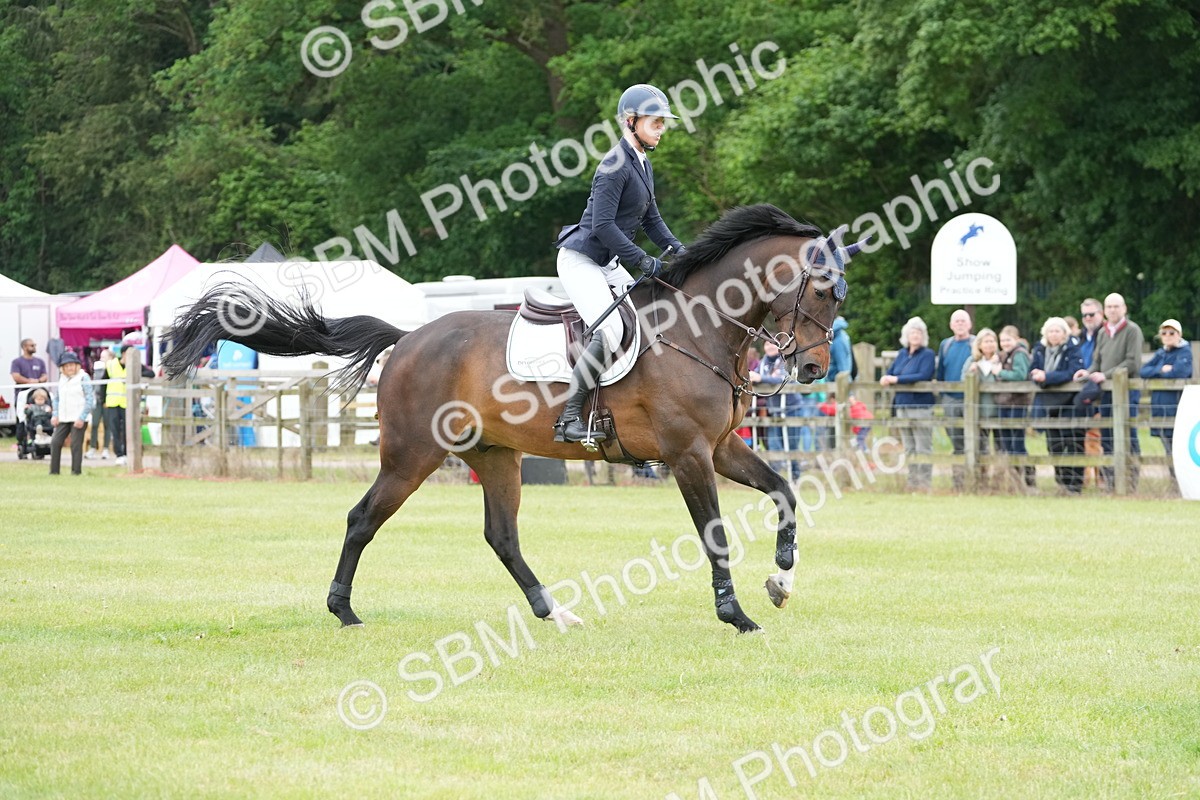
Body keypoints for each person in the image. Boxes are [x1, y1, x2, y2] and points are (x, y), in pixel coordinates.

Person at [553, 83, 685, 443]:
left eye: (663, 123)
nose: (661, 128)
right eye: (655, 122)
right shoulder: (613, 165)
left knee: (645, 316)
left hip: (607, 261)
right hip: (582, 260)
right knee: (610, 330)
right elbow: (602, 225)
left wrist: (680, 250)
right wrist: (641, 259)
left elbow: (652, 220)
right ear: (631, 122)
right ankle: (567, 419)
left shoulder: (642, 163)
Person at [1074, 292, 1144, 490]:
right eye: (1109, 307)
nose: (1113, 310)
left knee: (1128, 434)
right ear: (1105, 310)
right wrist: (1086, 373)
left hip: (1126, 391)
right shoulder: (1104, 332)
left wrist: (1106, 375)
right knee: (1107, 435)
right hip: (1106, 393)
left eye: (1116, 306)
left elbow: (1132, 362)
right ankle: (1112, 482)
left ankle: (1131, 482)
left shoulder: (1132, 330)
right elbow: (1097, 361)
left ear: (1124, 308)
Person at [1030, 317, 1086, 494]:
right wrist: (1039, 378)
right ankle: (1061, 482)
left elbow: (1071, 372)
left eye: (1057, 331)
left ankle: (1075, 485)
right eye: (1051, 331)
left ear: (1064, 333)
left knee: (1074, 443)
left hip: (1070, 403)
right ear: (1045, 333)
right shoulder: (1039, 350)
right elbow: (1032, 371)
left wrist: (1047, 377)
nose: (1054, 334)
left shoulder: (1073, 349)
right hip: (1048, 404)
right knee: (1054, 445)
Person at [881, 317, 935, 491]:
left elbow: (923, 375)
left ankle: (925, 483)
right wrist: (887, 377)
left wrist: (896, 379)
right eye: (913, 332)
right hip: (902, 406)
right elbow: (890, 371)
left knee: (923, 447)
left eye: (919, 332)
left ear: (923, 336)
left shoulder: (927, 354)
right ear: (906, 335)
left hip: (921, 406)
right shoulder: (902, 354)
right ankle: (912, 481)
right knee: (910, 447)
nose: (916, 335)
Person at [1139, 319, 1193, 472]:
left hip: (1176, 407)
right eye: (1164, 333)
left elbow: (1180, 372)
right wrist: (1161, 370)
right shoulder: (1161, 353)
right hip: (1159, 407)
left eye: (1171, 332)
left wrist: (1157, 372)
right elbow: (1143, 371)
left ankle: (1180, 482)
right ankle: (1175, 483)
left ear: (1179, 335)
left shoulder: (1185, 352)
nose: (1167, 336)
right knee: (1168, 448)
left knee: (1178, 449)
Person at [753, 341, 806, 480]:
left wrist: (761, 378)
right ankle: (775, 478)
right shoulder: (763, 362)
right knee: (773, 443)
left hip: (791, 408)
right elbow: (755, 377)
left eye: (773, 344)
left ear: (780, 346)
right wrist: (758, 378)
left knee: (791, 444)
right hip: (774, 410)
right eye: (767, 344)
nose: (770, 347)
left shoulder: (786, 361)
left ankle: (795, 476)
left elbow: (782, 379)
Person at [935, 309, 975, 489]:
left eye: (963, 321)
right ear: (951, 325)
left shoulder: (976, 343)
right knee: (956, 440)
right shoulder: (946, 345)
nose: (960, 324)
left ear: (969, 324)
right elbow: (941, 373)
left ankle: (977, 480)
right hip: (950, 399)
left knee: (976, 440)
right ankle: (959, 482)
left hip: (972, 399)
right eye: (956, 321)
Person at [995, 325, 1033, 488]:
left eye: (1008, 339)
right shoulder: (1005, 355)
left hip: (1017, 403)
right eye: (1002, 340)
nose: (1005, 343)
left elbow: (1020, 375)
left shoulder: (1019, 354)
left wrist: (1000, 373)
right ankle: (1013, 480)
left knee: (1017, 442)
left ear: (1016, 339)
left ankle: (1027, 478)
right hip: (1005, 403)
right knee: (1007, 443)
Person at [49, 351, 94, 476]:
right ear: (62, 368)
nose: (70, 368)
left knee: (75, 444)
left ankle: (76, 472)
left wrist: (82, 417)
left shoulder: (83, 377)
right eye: (67, 365)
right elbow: (57, 399)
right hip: (63, 417)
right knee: (55, 442)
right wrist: (55, 414)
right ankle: (54, 471)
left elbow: (90, 399)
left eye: (72, 365)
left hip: (78, 417)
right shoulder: (61, 379)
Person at [962, 327, 1002, 461]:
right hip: (979, 411)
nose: (989, 344)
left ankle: (1002, 477)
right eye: (986, 341)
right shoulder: (972, 361)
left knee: (1000, 448)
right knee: (980, 449)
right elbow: (963, 381)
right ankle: (982, 478)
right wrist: (971, 371)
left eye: (992, 341)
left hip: (998, 411)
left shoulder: (1001, 360)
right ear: (979, 344)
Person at [10, 338, 49, 460]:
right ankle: (22, 444)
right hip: (22, 396)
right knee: (23, 421)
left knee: (40, 419)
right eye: (32, 345)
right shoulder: (17, 362)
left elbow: (44, 376)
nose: (34, 347)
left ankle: (40, 443)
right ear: (24, 347)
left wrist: (38, 381)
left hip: (37, 397)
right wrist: (29, 382)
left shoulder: (40, 362)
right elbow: (16, 376)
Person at [86, 348, 114, 459]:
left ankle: (106, 449)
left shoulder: (112, 369)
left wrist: (106, 400)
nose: (101, 359)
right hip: (97, 400)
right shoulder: (97, 369)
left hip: (108, 401)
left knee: (107, 425)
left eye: (104, 357)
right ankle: (93, 448)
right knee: (95, 424)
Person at [105, 345, 130, 466]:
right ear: (123, 353)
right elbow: (103, 381)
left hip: (126, 403)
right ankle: (119, 454)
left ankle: (126, 453)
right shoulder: (111, 365)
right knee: (115, 429)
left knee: (126, 429)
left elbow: (150, 373)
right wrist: (102, 400)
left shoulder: (133, 365)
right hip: (113, 402)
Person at [22, 387, 54, 459]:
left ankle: (48, 436)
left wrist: (50, 412)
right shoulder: (32, 407)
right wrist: (26, 409)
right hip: (35, 421)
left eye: (42, 399)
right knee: (37, 421)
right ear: (34, 400)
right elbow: (28, 414)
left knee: (47, 422)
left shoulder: (46, 407)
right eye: (38, 399)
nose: (40, 401)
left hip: (45, 421)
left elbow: (50, 415)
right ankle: (39, 430)